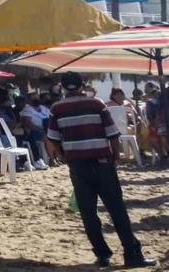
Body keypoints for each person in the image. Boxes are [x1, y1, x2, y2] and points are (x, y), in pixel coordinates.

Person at [47, 72, 155, 269]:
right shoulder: (96, 104)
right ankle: (132, 254)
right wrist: (115, 155)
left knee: (88, 212)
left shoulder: (57, 108)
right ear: (83, 85)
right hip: (102, 162)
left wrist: (64, 155)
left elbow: (53, 137)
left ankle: (102, 255)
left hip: (78, 166)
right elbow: (112, 133)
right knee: (117, 209)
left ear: (62, 87)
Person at [21, 94, 51, 169]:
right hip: (35, 131)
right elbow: (28, 123)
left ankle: (55, 158)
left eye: (37, 99)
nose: (36, 101)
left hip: (47, 129)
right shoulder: (27, 109)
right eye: (34, 99)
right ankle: (40, 160)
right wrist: (40, 129)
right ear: (29, 101)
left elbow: (51, 118)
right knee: (41, 137)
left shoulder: (44, 108)